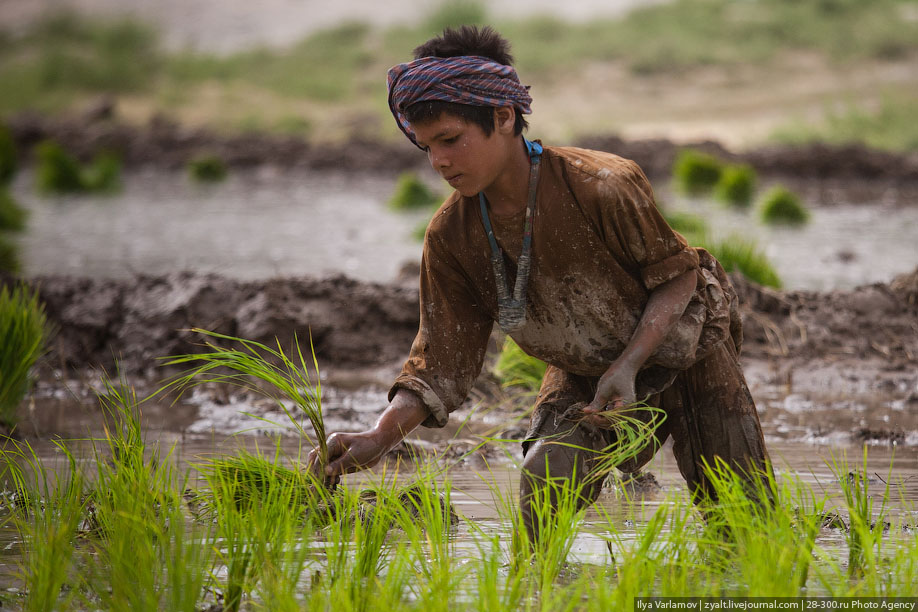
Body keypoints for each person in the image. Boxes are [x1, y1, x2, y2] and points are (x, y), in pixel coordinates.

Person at [308, 25, 771, 538]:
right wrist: (379, 436)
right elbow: (439, 359)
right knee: (543, 485)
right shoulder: (450, 237)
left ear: (504, 117)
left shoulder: (602, 185)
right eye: (426, 147)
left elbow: (679, 278)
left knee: (745, 521)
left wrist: (630, 366)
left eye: (451, 140)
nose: (439, 161)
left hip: (688, 350)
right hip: (586, 370)